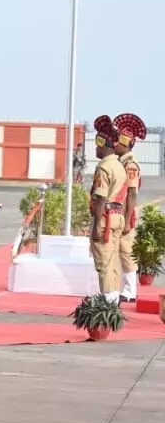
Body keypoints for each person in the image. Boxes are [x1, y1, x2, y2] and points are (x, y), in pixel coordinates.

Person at [90, 116, 128, 304]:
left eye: (98, 143)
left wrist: (96, 225)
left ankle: (107, 300)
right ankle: (113, 295)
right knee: (112, 260)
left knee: (103, 261)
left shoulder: (104, 168)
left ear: (106, 144)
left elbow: (100, 197)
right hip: (117, 216)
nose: (96, 148)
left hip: (105, 219)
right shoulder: (119, 165)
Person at [114, 114, 146, 302]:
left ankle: (130, 290)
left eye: (117, 142)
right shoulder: (122, 162)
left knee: (126, 251)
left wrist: (126, 219)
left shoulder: (130, 165)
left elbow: (132, 193)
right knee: (122, 250)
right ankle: (127, 288)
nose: (114, 145)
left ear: (125, 144)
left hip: (126, 211)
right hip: (121, 210)